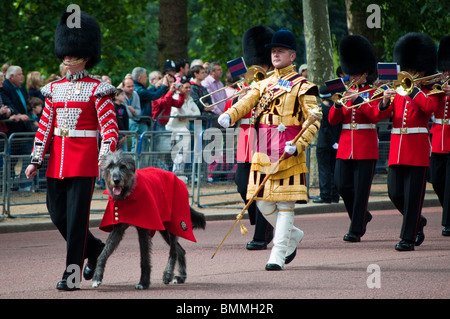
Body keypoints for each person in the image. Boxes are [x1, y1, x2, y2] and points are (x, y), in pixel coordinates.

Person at [25, 11, 119, 290]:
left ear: (85, 56)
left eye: (72, 54)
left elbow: (109, 130)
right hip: (58, 162)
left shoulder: (98, 90)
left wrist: (105, 162)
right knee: (58, 215)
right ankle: (95, 248)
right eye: (65, 54)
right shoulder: (54, 89)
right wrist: (36, 160)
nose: (66, 58)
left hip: (84, 162)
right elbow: (45, 127)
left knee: (77, 221)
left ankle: (72, 275)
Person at [218, 29, 321, 270]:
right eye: (273, 51)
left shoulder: (303, 85)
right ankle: (292, 235)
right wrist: (229, 114)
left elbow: (314, 117)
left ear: (292, 56)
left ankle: (278, 253)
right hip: (263, 148)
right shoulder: (264, 83)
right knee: (262, 202)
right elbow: (247, 101)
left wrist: (298, 145)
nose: (275, 55)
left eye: (280, 51)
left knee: (285, 205)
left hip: (288, 149)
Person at [380, 32, 440, 251]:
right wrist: (384, 102)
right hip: (397, 148)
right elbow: (381, 116)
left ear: (423, 68)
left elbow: (430, 108)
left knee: (413, 197)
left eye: (414, 69)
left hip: (417, 148)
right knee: (394, 193)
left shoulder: (432, 89)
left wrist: (413, 89)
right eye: (408, 68)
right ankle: (417, 222)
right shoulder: (397, 88)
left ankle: (407, 238)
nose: (410, 72)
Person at [329, 35, 390, 243]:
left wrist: (358, 100)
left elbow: (375, 115)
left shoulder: (375, 91)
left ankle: (356, 229)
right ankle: (363, 215)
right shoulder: (345, 91)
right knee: (341, 185)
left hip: (366, 145)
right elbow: (332, 120)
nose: (352, 77)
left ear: (365, 73)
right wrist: (338, 104)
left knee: (362, 190)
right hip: (346, 145)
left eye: (356, 74)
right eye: (350, 73)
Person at [226, 25, 275, 251]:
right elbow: (230, 114)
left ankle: (262, 235)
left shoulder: (277, 83)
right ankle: (265, 222)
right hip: (246, 143)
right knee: (242, 185)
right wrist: (239, 98)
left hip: (267, 141)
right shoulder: (244, 85)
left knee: (262, 189)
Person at [429, 35, 450, 237]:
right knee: (436, 180)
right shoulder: (437, 87)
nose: (445, 73)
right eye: (444, 70)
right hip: (437, 139)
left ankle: (448, 222)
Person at [166, 78, 200, 178]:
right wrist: (188, 115)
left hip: (184, 129)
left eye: (189, 87)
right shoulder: (176, 98)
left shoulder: (190, 99)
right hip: (173, 129)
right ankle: (174, 174)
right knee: (176, 153)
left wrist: (186, 115)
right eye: (186, 87)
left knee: (183, 153)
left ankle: (178, 174)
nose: (188, 89)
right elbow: (177, 113)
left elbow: (197, 113)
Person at [314, 85, 341, 204]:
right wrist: (336, 142)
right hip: (336, 143)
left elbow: (324, 128)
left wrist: (332, 142)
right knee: (334, 170)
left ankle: (325, 195)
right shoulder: (336, 107)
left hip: (324, 144)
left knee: (324, 170)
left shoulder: (320, 109)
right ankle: (334, 195)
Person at [2, 65, 31, 134]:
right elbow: (8, 103)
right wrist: (18, 114)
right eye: (19, 74)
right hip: (14, 126)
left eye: (22, 74)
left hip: (25, 124)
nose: (22, 76)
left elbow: (27, 101)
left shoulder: (21, 87)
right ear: (11, 76)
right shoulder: (5, 87)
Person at [123, 76, 143, 152]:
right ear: (123, 87)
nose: (131, 88)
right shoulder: (121, 95)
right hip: (126, 123)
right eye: (128, 86)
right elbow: (127, 114)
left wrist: (133, 111)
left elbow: (138, 113)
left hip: (135, 121)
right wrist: (132, 113)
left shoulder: (135, 94)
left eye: (132, 86)